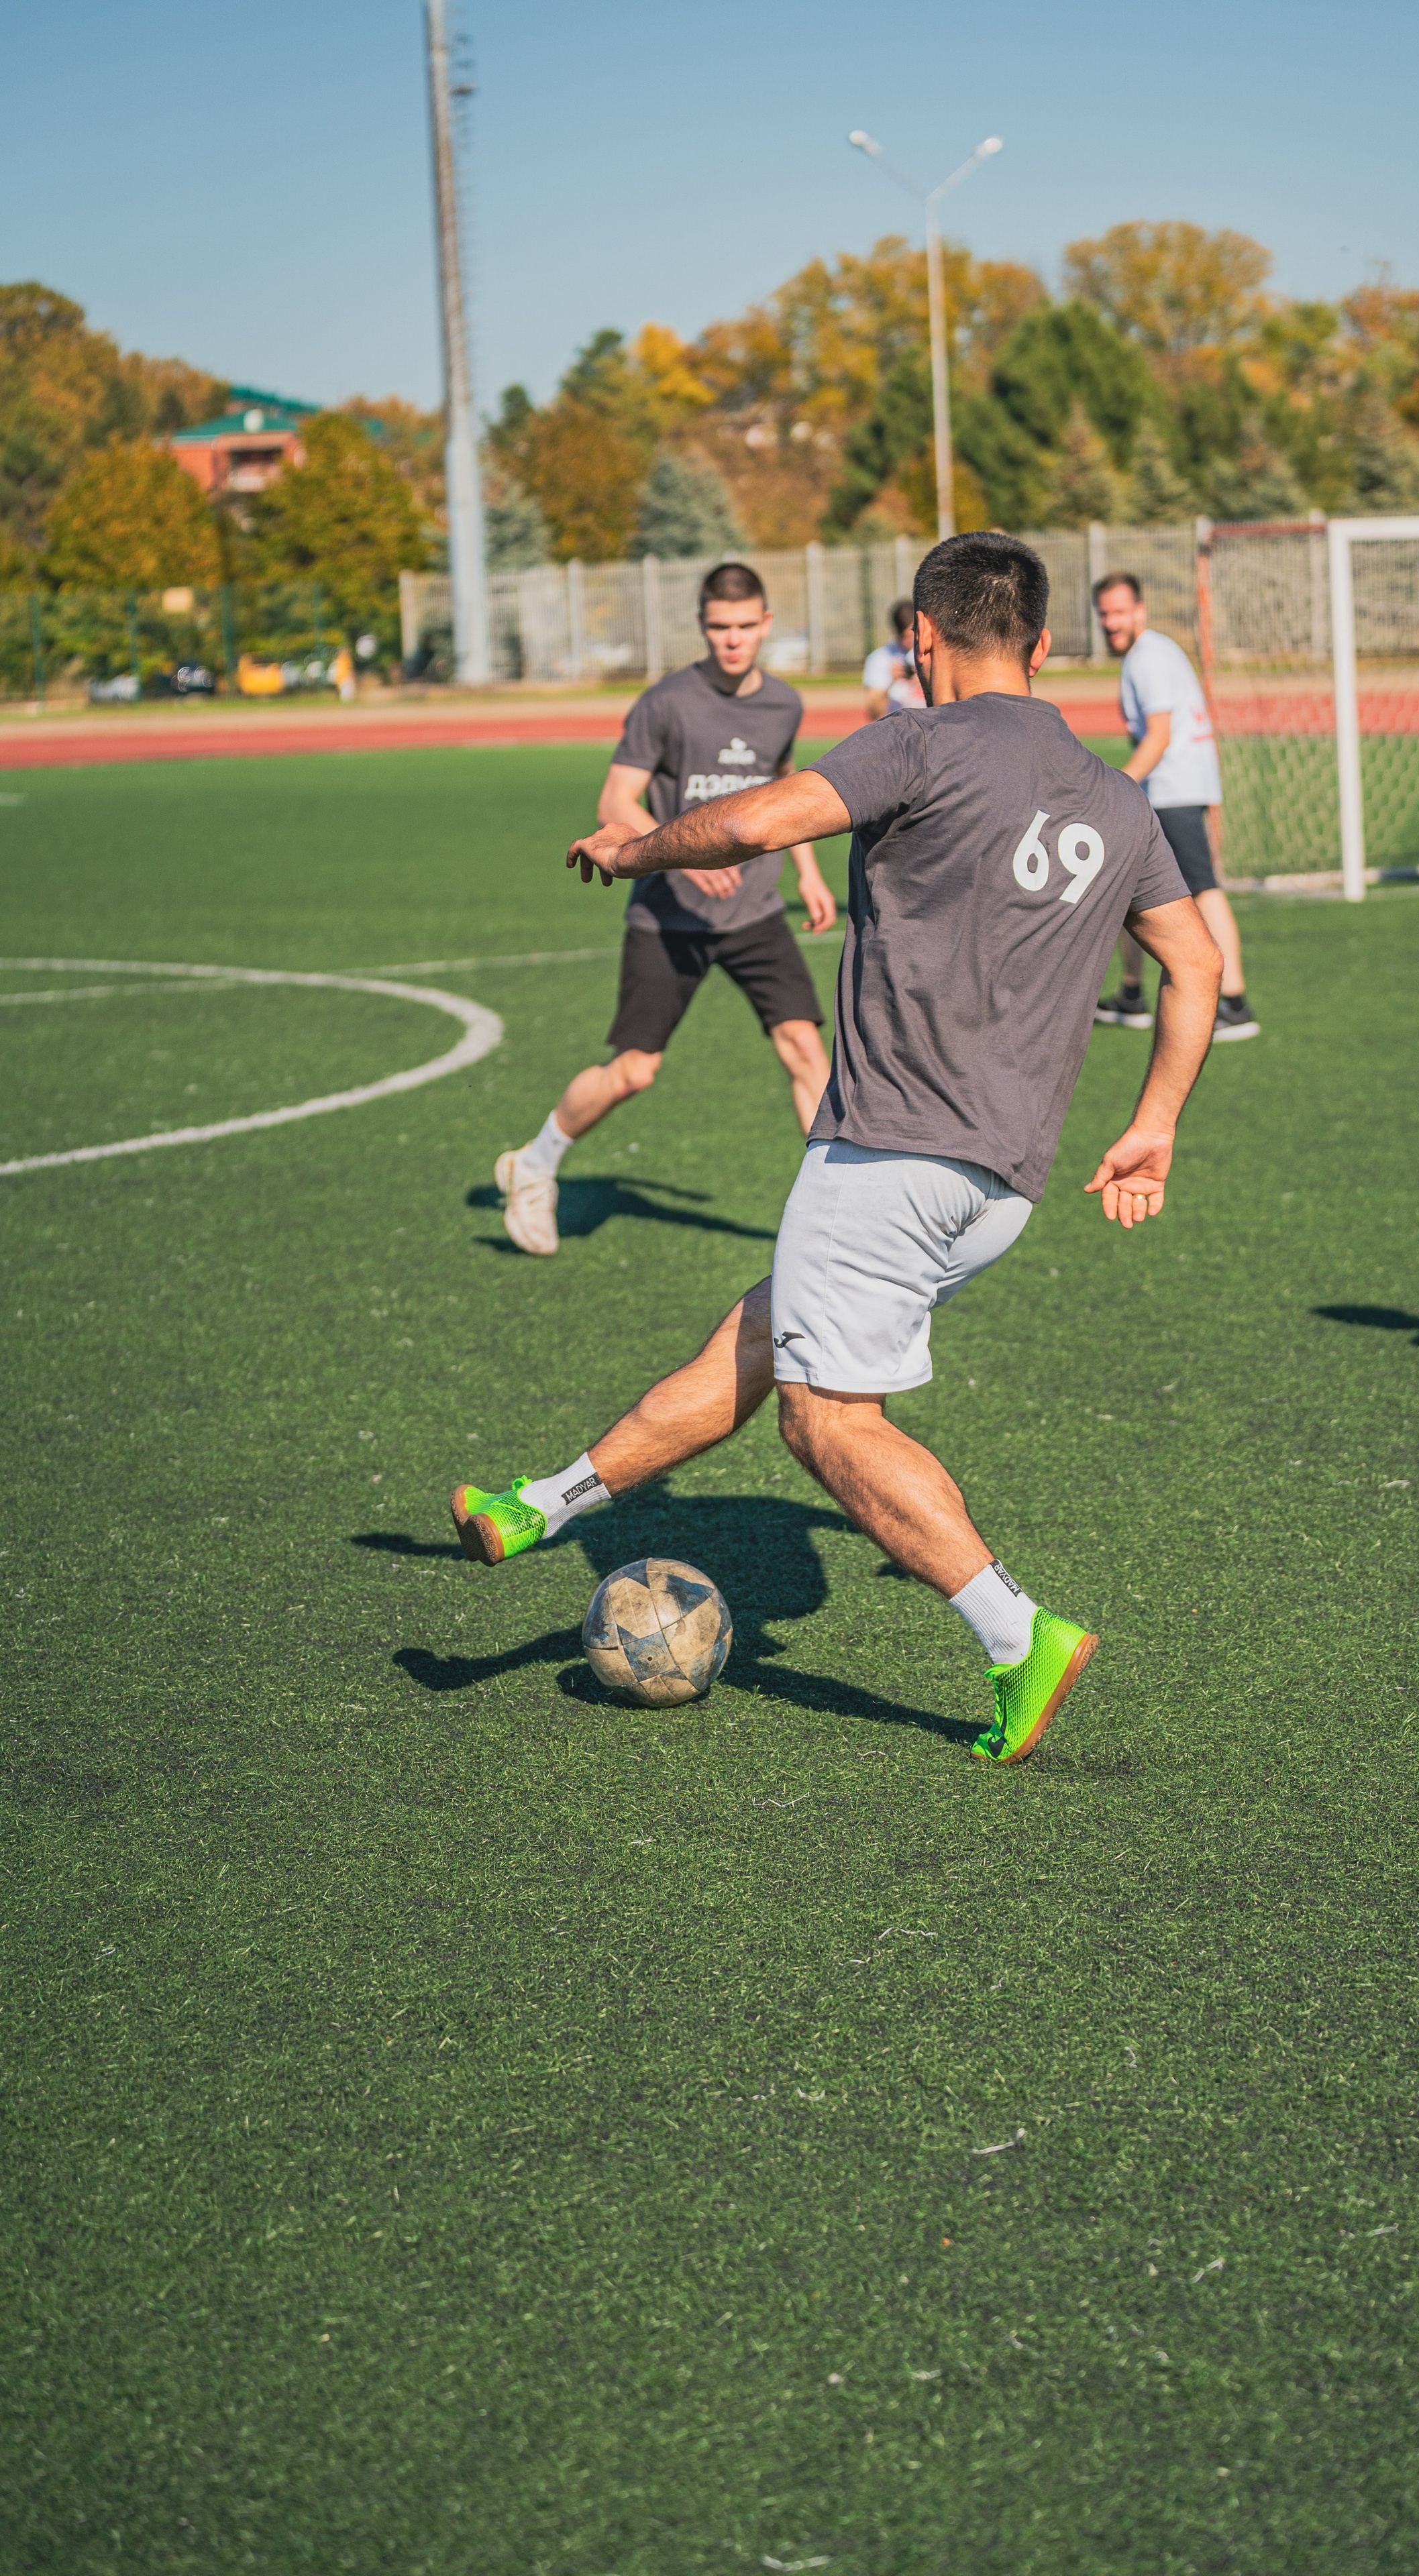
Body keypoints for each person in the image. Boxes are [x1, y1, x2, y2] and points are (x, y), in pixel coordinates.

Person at [451, 533, 1222, 1764]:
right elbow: (1198, 964)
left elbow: (754, 822)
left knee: (823, 1421)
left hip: (888, 1154)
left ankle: (1020, 1636)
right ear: (1041, 644)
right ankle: (540, 1506)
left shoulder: (917, 742)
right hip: (1002, 1183)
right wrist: (1155, 1125)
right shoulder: (1117, 801)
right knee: (768, 1335)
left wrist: (634, 844)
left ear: (922, 636)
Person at [494, 561, 839, 1255]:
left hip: (754, 910)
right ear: (702, 627)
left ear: (765, 625)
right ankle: (535, 1165)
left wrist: (808, 870)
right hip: (669, 914)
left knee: (804, 1045)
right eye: (719, 628)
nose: (733, 641)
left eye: (745, 628)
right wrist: (680, 852)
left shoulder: (784, 704)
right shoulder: (666, 701)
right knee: (635, 1070)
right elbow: (614, 800)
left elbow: (783, 789)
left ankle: (838, 1213)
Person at [1089, 572, 1257, 1041]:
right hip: (1178, 788)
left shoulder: (1147, 658)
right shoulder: (1155, 651)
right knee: (1128, 889)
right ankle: (1131, 994)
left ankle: (1235, 1003)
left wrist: (1118, 787)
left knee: (1202, 889)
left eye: (1119, 611)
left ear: (1139, 610)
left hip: (1172, 792)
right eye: (1104, 613)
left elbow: (1160, 737)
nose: (1111, 622)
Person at [861, 598, 926, 720]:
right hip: (900, 725)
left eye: (915, 631)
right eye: (907, 635)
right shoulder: (880, 658)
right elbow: (873, 713)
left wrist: (924, 680)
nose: (912, 639)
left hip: (931, 723)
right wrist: (890, 681)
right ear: (897, 632)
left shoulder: (931, 651)